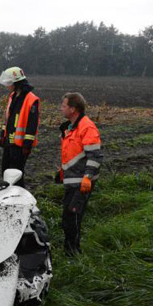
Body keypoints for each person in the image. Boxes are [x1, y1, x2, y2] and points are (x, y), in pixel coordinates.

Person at [56, 92, 103, 256]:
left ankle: (73, 253)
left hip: (81, 182)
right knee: (68, 218)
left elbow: (95, 156)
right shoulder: (70, 127)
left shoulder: (87, 127)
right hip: (72, 180)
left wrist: (87, 177)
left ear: (73, 109)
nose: (61, 108)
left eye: (64, 105)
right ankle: (69, 250)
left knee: (72, 217)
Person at [0, 66, 39, 188]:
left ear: (16, 83)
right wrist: (3, 136)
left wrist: (27, 145)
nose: (6, 85)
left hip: (20, 146)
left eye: (8, 82)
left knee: (16, 176)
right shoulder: (13, 96)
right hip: (9, 143)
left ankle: (19, 199)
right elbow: (8, 119)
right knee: (5, 172)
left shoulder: (31, 99)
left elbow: (32, 124)